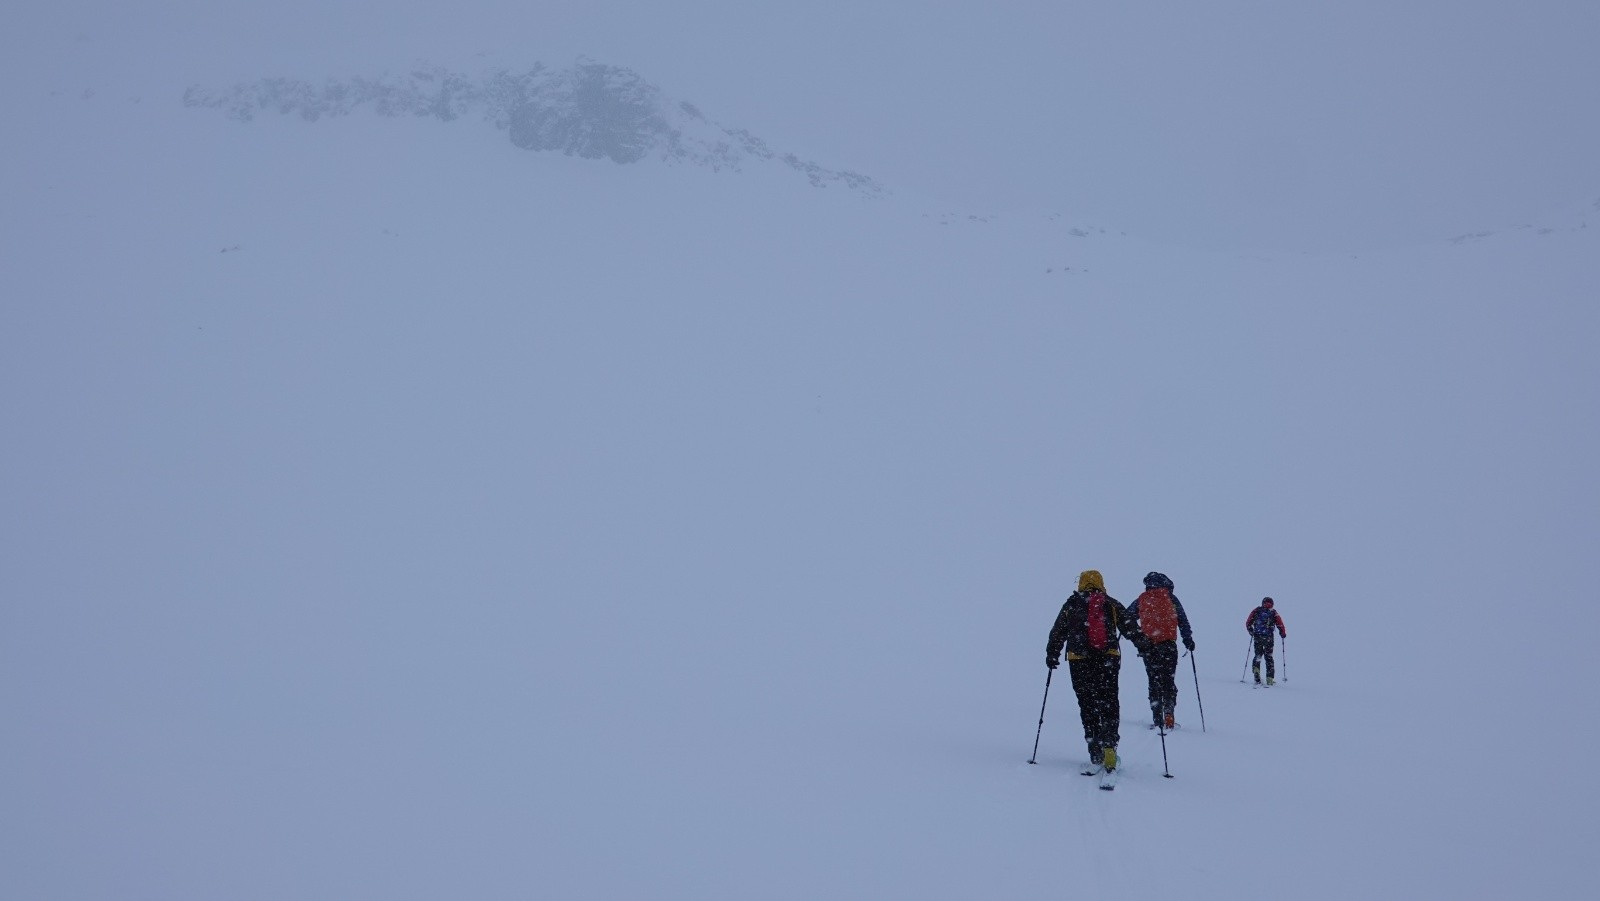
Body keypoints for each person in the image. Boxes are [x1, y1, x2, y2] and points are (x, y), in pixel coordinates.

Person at [1046, 570, 1146, 778]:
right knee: (1109, 701)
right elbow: (1130, 628)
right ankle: (1110, 748)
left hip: (1079, 660)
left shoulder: (1071, 605)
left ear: (1081, 584)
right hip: (1107, 658)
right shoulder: (1110, 603)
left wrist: (1052, 655)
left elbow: (1057, 632)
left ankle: (1095, 752)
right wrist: (1144, 647)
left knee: (1088, 704)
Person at [1127, 571, 1195, 730]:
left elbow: (1127, 617)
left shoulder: (1142, 599)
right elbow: (1183, 620)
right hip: (1168, 646)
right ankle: (1169, 712)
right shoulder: (1171, 598)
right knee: (1168, 680)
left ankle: (1157, 717)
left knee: (1153, 681)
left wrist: (1138, 637)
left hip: (1149, 647)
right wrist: (1188, 640)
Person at [1246, 597, 1287, 685]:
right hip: (1268, 638)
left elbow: (1248, 622)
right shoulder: (1273, 612)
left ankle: (1256, 671)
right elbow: (1280, 623)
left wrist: (1251, 631)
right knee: (1269, 657)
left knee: (1258, 654)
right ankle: (1269, 679)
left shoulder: (1257, 610)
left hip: (1257, 636)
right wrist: (1282, 633)